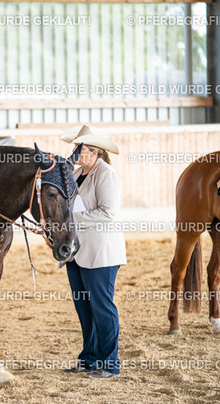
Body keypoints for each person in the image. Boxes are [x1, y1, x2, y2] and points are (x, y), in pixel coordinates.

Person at [60, 125, 127, 378]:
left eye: (80, 148)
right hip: (77, 250)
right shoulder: (76, 173)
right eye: (75, 147)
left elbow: (108, 213)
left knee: (102, 307)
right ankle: (89, 359)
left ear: (94, 151)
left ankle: (109, 363)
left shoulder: (106, 173)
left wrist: (71, 220)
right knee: (84, 309)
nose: (75, 152)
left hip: (101, 251)